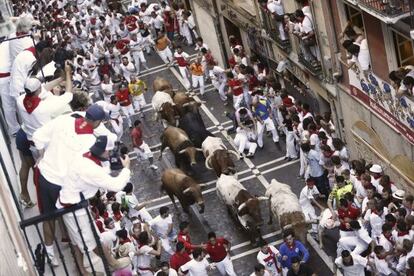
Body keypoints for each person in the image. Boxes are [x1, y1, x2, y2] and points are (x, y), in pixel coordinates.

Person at [32, 104, 115, 266]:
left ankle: (49, 254)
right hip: (63, 186)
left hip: (45, 176)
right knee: (77, 225)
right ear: (97, 122)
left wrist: (41, 156)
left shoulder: (63, 120)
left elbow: (37, 136)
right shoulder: (92, 142)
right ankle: (90, 262)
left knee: (48, 217)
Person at [56, 135, 131, 275]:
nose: (110, 154)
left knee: (84, 240)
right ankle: (105, 265)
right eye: (108, 152)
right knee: (87, 242)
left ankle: (102, 265)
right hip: (73, 208)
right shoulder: (90, 168)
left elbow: (102, 171)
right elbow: (116, 185)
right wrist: (126, 168)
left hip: (75, 204)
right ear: (103, 151)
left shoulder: (87, 155)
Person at [16, 64, 73, 207]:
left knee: (25, 165)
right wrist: (67, 74)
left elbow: (43, 89)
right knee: (46, 174)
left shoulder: (21, 100)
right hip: (41, 144)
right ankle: (51, 202)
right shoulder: (44, 108)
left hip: (24, 135)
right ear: (38, 90)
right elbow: (69, 95)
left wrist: (59, 79)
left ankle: (24, 194)